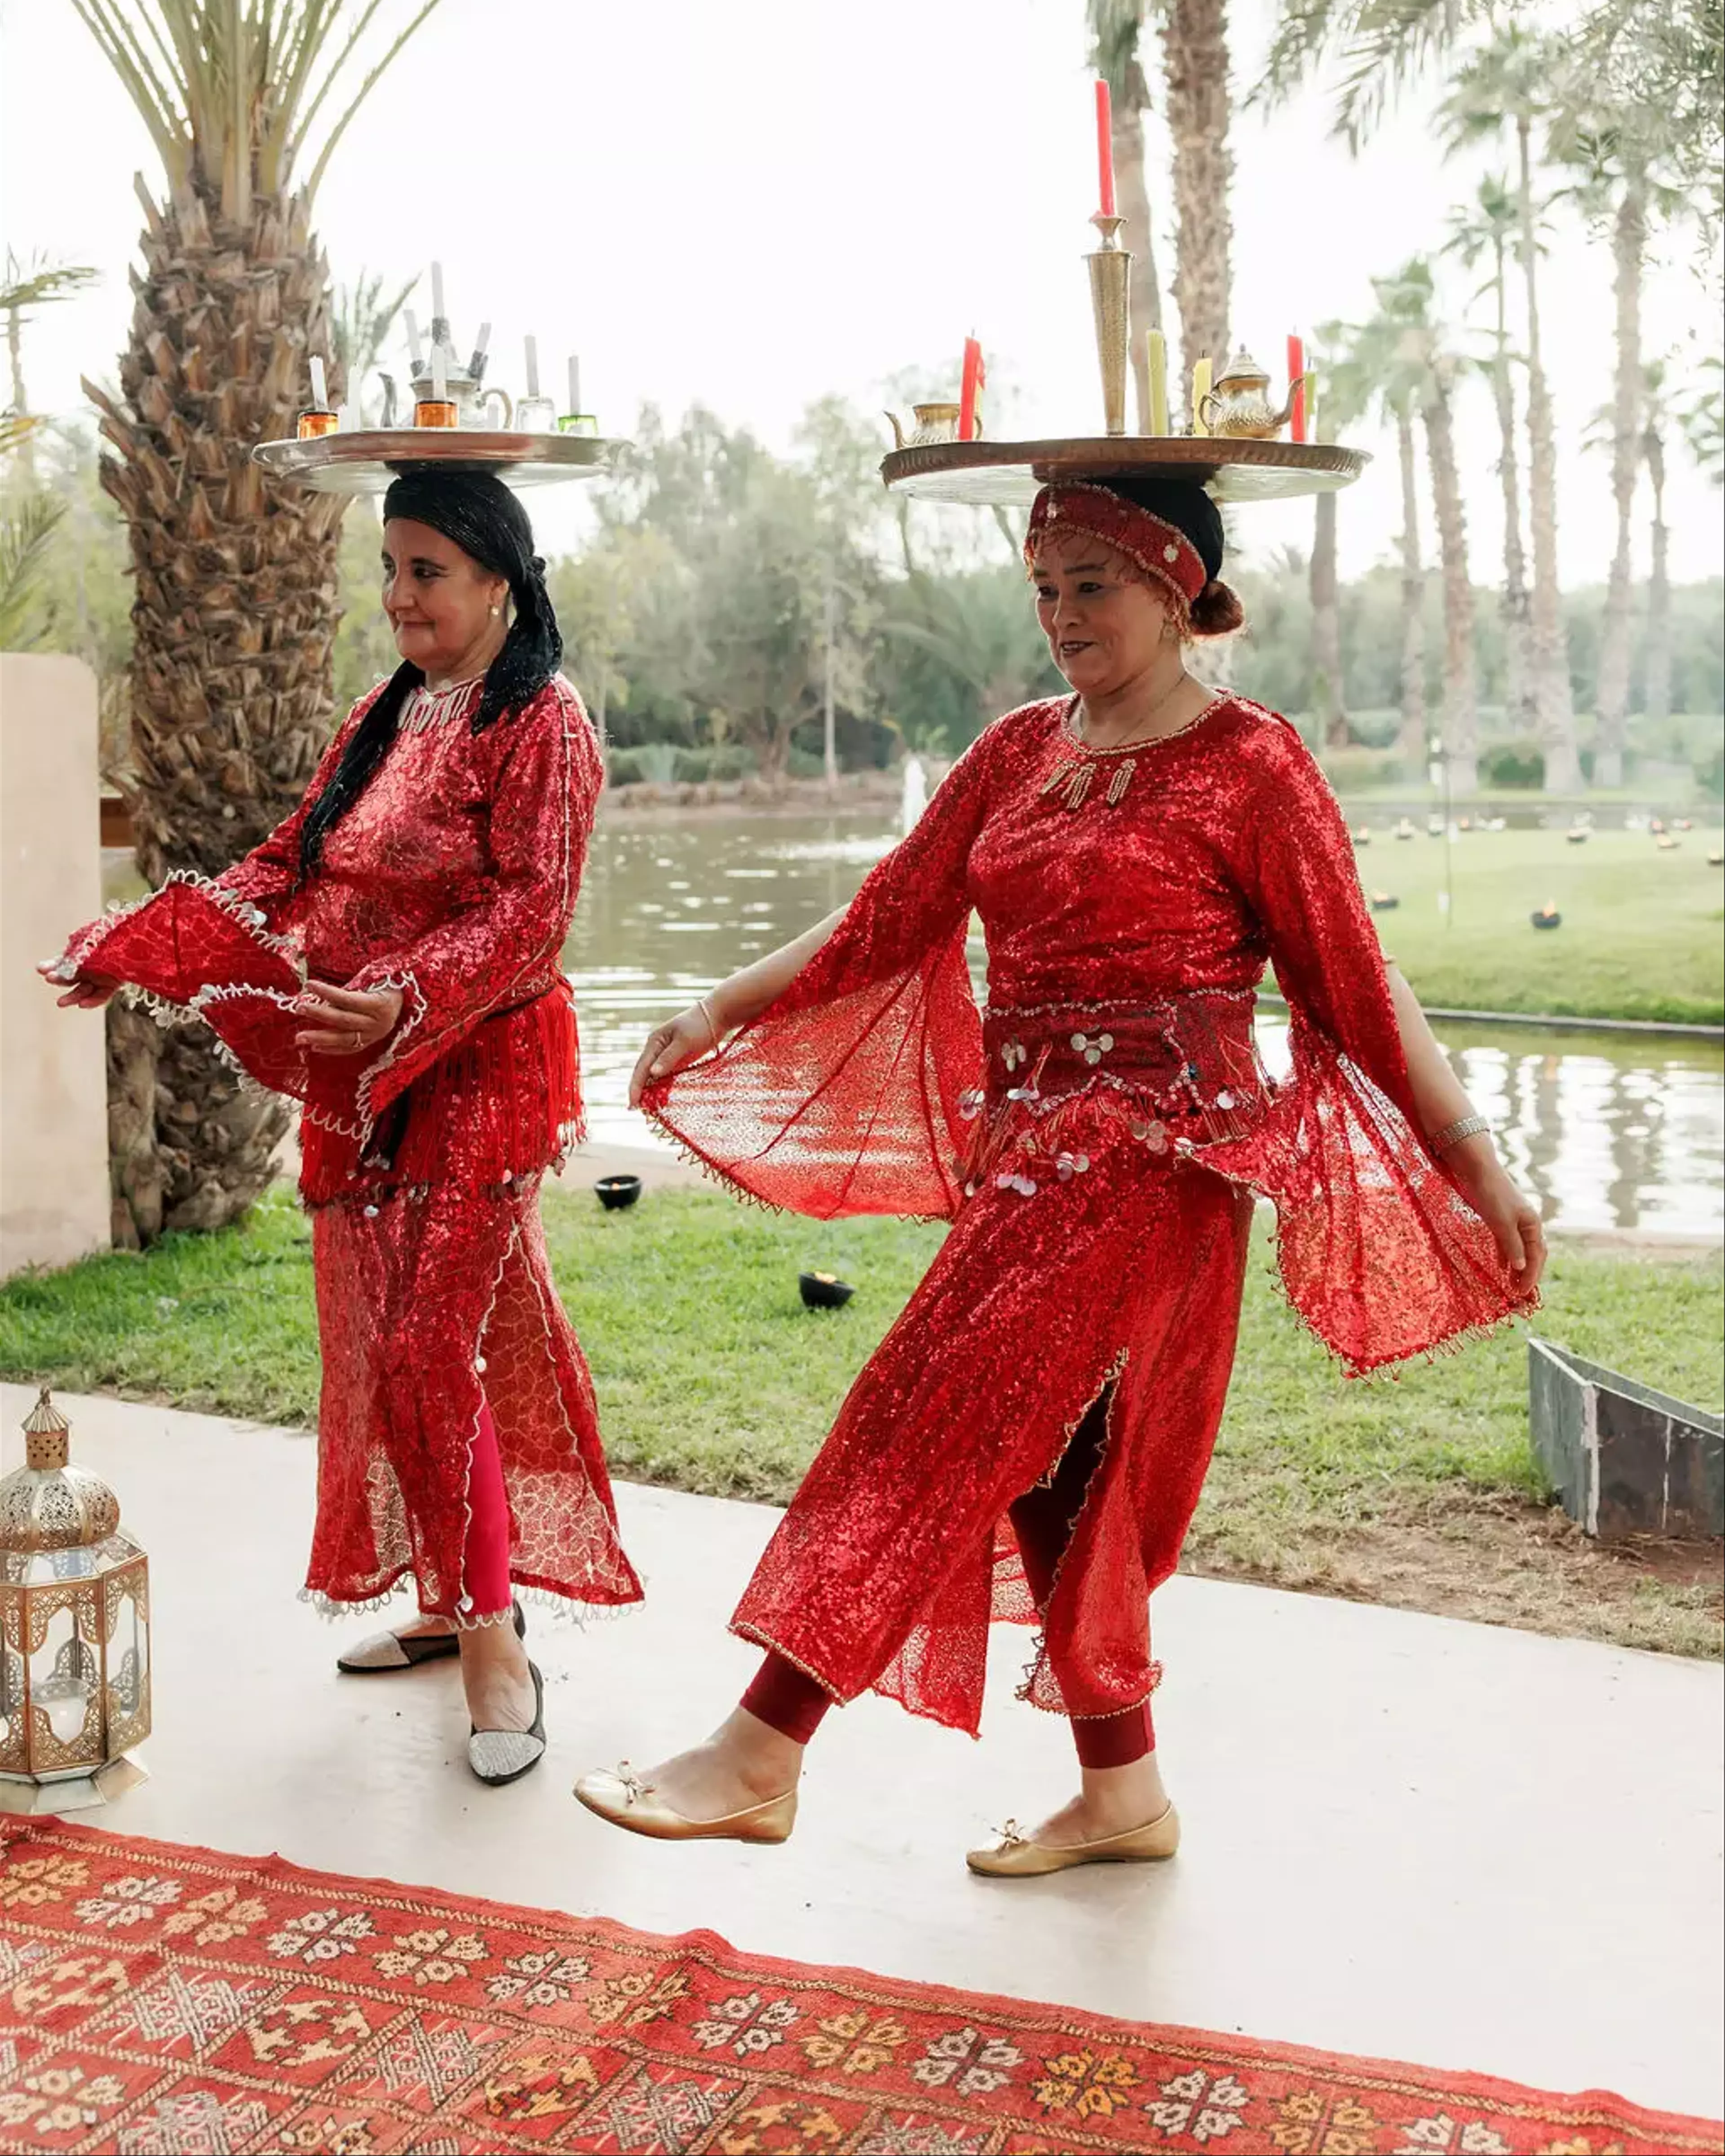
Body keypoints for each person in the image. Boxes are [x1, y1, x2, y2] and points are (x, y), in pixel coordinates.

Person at [574, 473, 1543, 1870]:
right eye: (1044, 587)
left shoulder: (1253, 765)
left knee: (932, 1403)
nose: (1061, 614)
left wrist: (1474, 1161)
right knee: (1056, 1475)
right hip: (1028, 1162)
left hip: (1159, 1167)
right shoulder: (1019, 749)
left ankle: (760, 1746)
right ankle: (1125, 1797)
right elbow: (890, 915)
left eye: (1092, 584)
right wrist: (727, 1003)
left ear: (1174, 587)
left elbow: (1356, 983)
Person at [47, 468, 639, 1785]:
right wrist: (134, 946)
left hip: (479, 1064)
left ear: (500, 577)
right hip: (363, 1076)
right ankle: (448, 1589)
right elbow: (287, 864)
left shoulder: (539, 719)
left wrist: (404, 998)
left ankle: (496, 1644)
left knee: (435, 1349)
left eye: (427, 570)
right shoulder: (389, 711)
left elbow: (533, 913)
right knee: (407, 1344)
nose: (398, 596)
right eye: (390, 568)